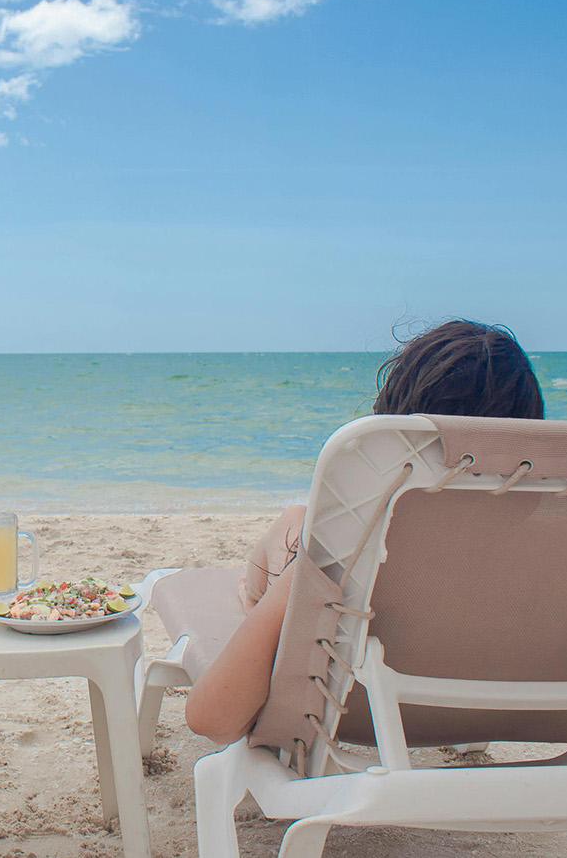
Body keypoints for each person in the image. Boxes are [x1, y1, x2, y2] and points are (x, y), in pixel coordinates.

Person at [183, 319, 545, 744]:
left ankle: (266, 586)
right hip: (488, 713)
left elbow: (212, 717)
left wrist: (271, 604)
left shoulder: (346, 556)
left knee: (294, 529)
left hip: (360, 715)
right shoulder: (560, 559)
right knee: (295, 522)